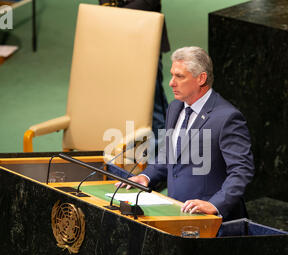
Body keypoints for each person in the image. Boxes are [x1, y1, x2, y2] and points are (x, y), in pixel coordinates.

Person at [122, 46, 255, 222]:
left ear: (201, 78)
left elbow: (241, 170)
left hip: (212, 224)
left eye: (180, 76)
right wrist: (146, 176)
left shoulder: (227, 118)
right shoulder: (175, 108)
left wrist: (215, 204)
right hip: (176, 214)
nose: (171, 83)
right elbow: (169, 156)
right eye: (172, 75)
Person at [99, 0, 170, 143]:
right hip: (117, 38)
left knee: (152, 102)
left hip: (145, 37)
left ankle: (166, 150)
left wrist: (114, 15)